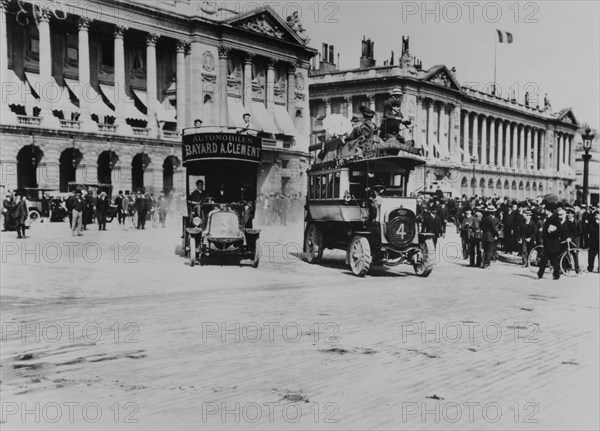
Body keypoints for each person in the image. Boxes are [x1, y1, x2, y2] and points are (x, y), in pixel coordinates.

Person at [537, 205, 567, 280]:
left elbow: (560, 230)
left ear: (549, 210)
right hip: (548, 242)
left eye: (546, 210)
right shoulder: (550, 218)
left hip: (552, 242)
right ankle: (556, 275)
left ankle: (541, 274)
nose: (544, 211)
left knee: (546, 259)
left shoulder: (554, 218)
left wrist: (551, 232)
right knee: (552, 259)